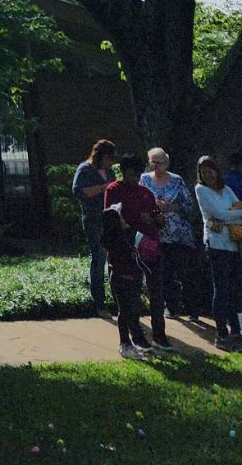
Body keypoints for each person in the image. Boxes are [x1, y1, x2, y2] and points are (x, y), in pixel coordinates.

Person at [104, 153, 168, 347]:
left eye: (137, 175)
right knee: (130, 297)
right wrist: (132, 223)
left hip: (150, 248)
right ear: (123, 172)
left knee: (156, 292)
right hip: (128, 250)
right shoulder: (114, 189)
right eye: (130, 175)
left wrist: (156, 218)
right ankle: (134, 337)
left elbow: (158, 217)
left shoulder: (146, 193)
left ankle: (159, 334)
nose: (134, 179)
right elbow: (112, 217)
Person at [141, 147, 198, 318]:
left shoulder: (177, 180)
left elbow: (189, 205)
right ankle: (171, 307)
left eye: (160, 162)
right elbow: (139, 202)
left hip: (179, 234)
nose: (156, 165)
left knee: (184, 272)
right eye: (153, 162)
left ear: (166, 163)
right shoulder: (144, 179)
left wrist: (171, 207)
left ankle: (192, 310)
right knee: (164, 273)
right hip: (157, 234)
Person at [193, 156, 242, 350]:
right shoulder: (201, 190)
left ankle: (236, 331)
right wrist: (233, 213)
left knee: (234, 289)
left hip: (233, 244)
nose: (207, 174)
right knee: (220, 289)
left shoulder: (227, 190)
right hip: (216, 245)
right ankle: (221, 334)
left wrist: (231, 213)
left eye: (210, 169)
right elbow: (218, 214)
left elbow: (235, 208)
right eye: (203, 171)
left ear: (217, 170)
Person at [72, 139, 116, 314]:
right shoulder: (85, 169)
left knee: (114, 259)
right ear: (100, 156)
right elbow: (78, 191)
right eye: (108, 158)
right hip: (93, 219)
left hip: (110, 218)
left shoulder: (110, 171)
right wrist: (103, 188)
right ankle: (99, 303)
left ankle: (118, 299)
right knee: (98, 259)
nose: (111, 162)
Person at [101, 206, 150, 357]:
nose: (124, 220)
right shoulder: (118, 242)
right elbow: (124, 262)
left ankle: (129, 343)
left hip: (123, 279)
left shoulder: (117, 238)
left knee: (128, 311)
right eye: (120, 218)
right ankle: (124, 344)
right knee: (124, 312)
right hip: (123, 279)